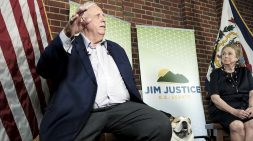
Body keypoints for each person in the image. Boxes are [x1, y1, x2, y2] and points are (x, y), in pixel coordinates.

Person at [36, 2, 171, 141]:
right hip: (85, 112)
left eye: (103, 16)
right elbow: (44, 69)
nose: (103, 19)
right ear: (83, 20)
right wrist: (68, 32)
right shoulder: (69, 47)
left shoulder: (117, 49)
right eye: (98, 15)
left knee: (160, 125)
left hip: (122, 108)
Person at [208, 43, 253, 141]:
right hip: (224, 109)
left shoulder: (245, 71)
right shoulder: (215, 74)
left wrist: (252, 107)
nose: (225, 56)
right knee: (237, 125)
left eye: (229, 53)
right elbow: (215, 98)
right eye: (223, 54)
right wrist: (234, 111)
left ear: (237, 58)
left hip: (244, 107)